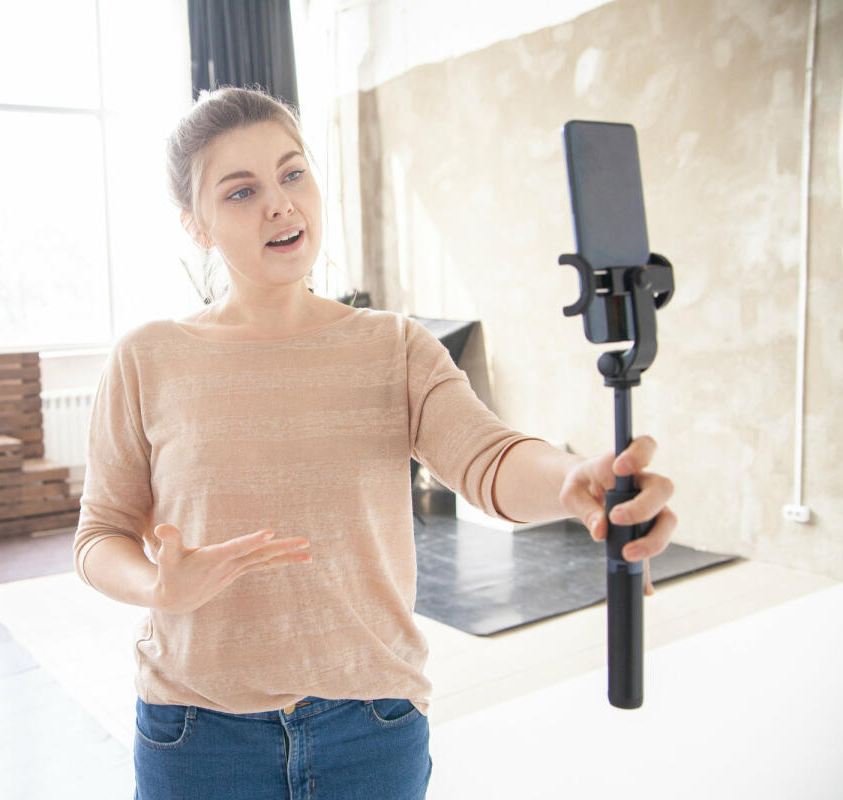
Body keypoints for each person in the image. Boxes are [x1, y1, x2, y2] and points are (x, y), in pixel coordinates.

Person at [72, 86, 676, 800]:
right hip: (198, 733)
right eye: (240, 192)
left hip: (370, 728)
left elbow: (488, 456)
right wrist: (159, 585)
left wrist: (572, 478)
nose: (279, 204)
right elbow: (100, 537)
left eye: (293, 174)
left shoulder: (393, 346)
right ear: (195, 224)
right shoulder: (149, 357)